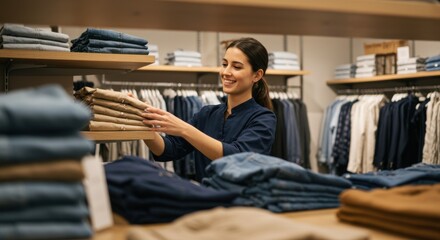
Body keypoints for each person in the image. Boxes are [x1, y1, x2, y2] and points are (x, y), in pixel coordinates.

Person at [142, 37, 277, 182]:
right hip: (206, 199)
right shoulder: (207, 114)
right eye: (224, 64)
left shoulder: (263, 118)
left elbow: (238, 156)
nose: (226, 72)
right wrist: (142, 124)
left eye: (236, 67)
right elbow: (167, 150)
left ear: (257, 75)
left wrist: (184, 129)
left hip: (240, 202)